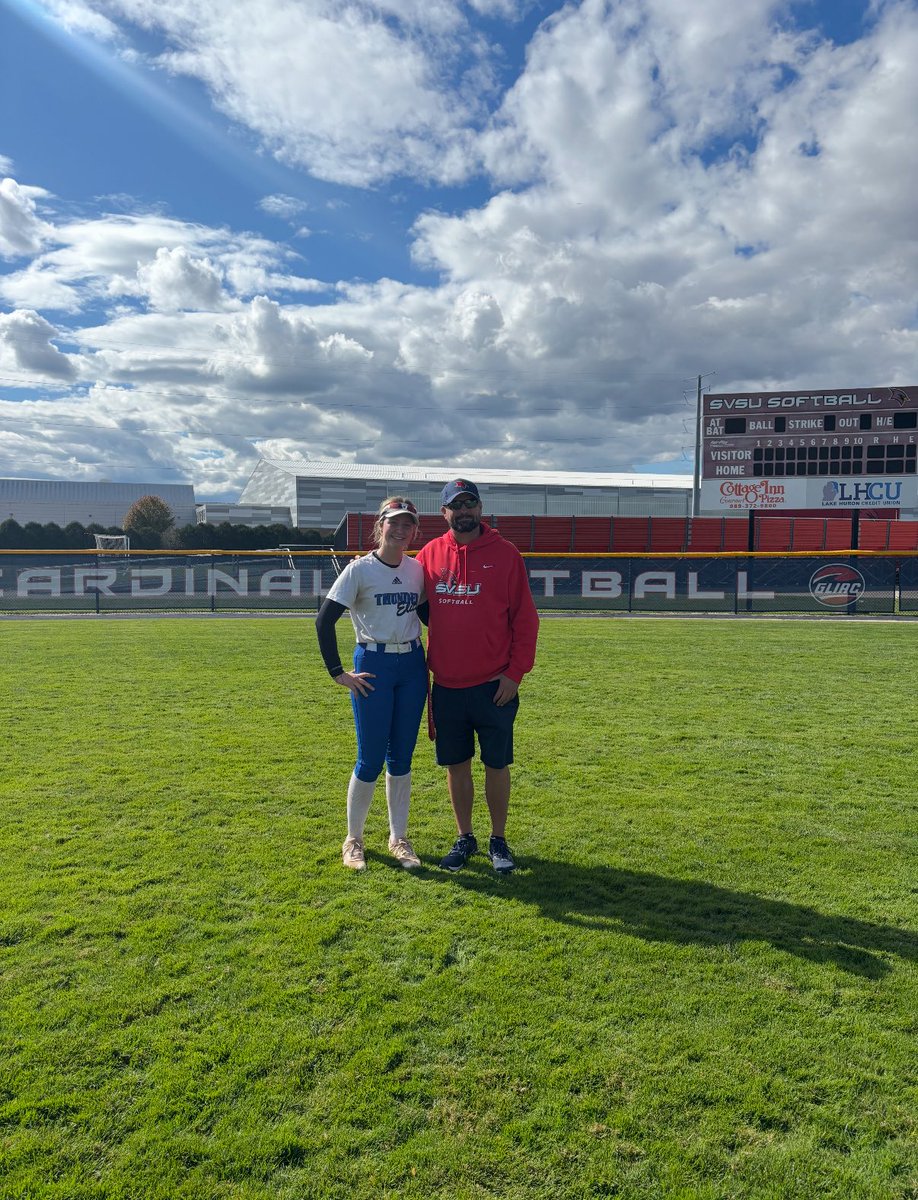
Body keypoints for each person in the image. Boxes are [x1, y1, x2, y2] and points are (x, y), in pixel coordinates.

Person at [415, 479, 539, 874]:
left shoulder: (505, 554)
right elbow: (409, 594)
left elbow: (525, 620)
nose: (464, 511)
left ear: (480, 508)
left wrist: (515, 674)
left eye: (471, 503)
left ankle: (498, 840)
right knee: (457, 765)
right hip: (447, 685)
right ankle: (464, 836)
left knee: (496, 764)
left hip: (494, 685)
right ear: (444, 513)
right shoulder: (429, 554)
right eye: (457, 505)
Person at [315, 497, 427, 871]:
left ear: (414, 530)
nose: (400, 530)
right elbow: (323, 620)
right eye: (393, 522)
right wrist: (338, 672)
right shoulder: (359, 570)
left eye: (407, 524)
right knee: (370, 758)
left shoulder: (417, 570)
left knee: (402, 758)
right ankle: (354, 839)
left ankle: (399, 838)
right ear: (380, 526)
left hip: (412, 664)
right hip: (373, 664)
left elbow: (430, 615)